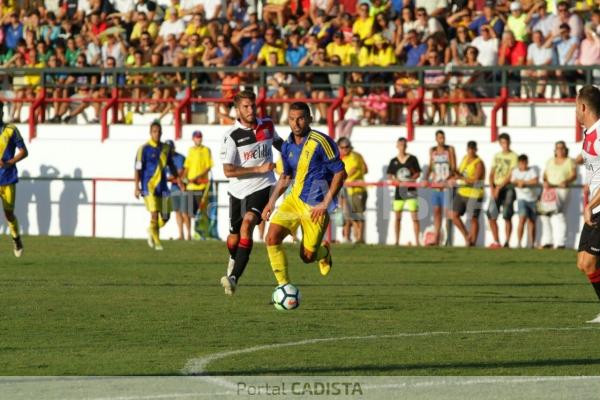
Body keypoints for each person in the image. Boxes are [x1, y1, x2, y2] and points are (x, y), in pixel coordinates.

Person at [262, 102, 347, 286]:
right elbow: (286, 176)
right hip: (294, 200)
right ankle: (284, 287)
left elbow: (341, 173)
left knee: (307, 257)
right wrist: (271, 202)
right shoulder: (287, 146)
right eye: (292, 119)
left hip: (315, 206)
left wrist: (325, 203)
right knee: (271, 237)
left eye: (300, 118)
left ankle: (324, 253)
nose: (296, 123)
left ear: (309, 119)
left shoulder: (321, 141)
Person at [220, 90, 282, 296]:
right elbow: (228, 170)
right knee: (233, 239)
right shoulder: (231, 136)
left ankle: (234, 278)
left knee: (248, 223)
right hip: (237, 192)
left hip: (263, 187)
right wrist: (257, 168)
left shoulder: (267, 125)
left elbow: (281, 144)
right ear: (237, 110)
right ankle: (233, 259)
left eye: (252, 105)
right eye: (245, 107)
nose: (250, 110)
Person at [134, 121, 182, 251]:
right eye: (154, 131)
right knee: (154, 215)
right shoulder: (143, 149)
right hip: (148, 186)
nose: (157, 134)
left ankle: (151, 229)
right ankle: (157, 242)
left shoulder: (166, 148)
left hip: (163, 187)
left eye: (159, 132)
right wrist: (136, 187)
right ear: (150, 133)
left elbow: (171, 165)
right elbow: (138, 169)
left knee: (166, 216)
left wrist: (178, 180)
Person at [575, 85, 600, 324]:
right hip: (595, 208)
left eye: (576, 106)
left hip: (598, 208)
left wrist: (590, 204)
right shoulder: (589, 133)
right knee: (583, 262)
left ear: (583, 107)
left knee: (591, 262)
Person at [0, 102, 27, 257]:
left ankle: (16, 238)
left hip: (7, 179)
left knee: (9, 214)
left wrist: (9, 162)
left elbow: (24, 151)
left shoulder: (11, 130)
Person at [540, 141, 576, 249]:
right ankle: (548, 241)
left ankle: (561, 242)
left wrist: (566, 181)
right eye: (558, 148)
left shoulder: (569, 161)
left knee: (559, 214)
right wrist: (545, 181)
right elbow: (545, 175)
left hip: (562, 190)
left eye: (562, 148)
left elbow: (574, 175)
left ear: (566, 150)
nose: (560, 150)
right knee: (544, 215)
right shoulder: (550, 161)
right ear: (555, 150)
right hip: (549, 190)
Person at [449, 141, 485, 247]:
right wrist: (454, 175)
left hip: (474, 193)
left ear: (476, 150)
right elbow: (460, 172)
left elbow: (476, 180)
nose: (471, 151)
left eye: (473, 149)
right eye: (469, 149)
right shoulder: (465, 158)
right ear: (467, 149)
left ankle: (472, 242)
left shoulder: (479, 163)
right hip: (462, 191)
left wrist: (460, 178)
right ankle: (466, 235)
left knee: (473, 219)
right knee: (453, 215)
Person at [387, 137, 421, 246]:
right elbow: (390, 175)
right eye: (400, 144)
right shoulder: (394, 161)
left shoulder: (412, 159)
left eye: (404, 145)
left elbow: (417, 173)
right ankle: (397, 241)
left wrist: (411, 180)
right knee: (397, 217)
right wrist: (394, 180)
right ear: (397, 146)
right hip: (399, 191)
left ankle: (417, 241)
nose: (402, 147)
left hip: (411, 191)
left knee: (414, 217)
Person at [487, 133, 518, 249]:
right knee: (491, 215)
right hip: (496, 187)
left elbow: (511, 175)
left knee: (507, 215)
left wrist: (498, 188)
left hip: (507, 187)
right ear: (500, 143)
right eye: (503, 143)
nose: (505, 145)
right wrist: (492, 188)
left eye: (507, 142)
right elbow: (491, 173)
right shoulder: (496, 156)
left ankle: (507, 242)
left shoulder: (514, 156)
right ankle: (496, 241)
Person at [182, 130, 213, 240]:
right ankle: (189, 235)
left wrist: (198, 178)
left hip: (201, 186)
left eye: (200, 137)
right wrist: (183, 178)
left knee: (202, 212)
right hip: (190, 186)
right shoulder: (190, 150)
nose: (198, 139)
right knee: (189, 212)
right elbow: (187, 166)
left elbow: (208, 167)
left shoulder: (206, 150)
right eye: (196, 137)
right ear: (193, 138)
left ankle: (202, 234)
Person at [428, 130, 456, 246]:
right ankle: (436, 238)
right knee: (436, 212)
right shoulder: (433, 150)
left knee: (447, 212)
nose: (442, 140)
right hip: (436, 185)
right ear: (436, 139)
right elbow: (431, 165)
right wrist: (426, 177)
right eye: (439, 138)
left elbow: (453, 167)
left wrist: (447, 179)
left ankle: (449, 239)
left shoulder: (449, 150)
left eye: (443, 137)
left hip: (445, 185)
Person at [338, 137, 368, 243]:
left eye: (347, 147)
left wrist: (343, 179)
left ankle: (360, 238)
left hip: (356, 190)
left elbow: (354, 169)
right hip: (347, 190)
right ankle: (355, 237)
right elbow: (365, 170)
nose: (345, 149)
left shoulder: (354, 156)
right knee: (351, 215)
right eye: (343, 147)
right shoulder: (343, 158)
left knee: (358, 214)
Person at [511, 154, 539, 249]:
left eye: (525, 163)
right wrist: (520, 182)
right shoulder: (515, 171)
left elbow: (535, 181)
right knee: (522, 219)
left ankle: (532, 243)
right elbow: (513, 181)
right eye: (522, 163)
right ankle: (519, 242)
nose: (523, 165)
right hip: (521, 199)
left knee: (532, 221)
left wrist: (523, 182)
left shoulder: (532, 171)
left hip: (532, 199)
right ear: (519, 163)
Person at [165, 140, 187, 240]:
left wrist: (171, 176)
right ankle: (181, 234)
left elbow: (180, 172)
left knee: (185, 212)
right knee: (177, 211)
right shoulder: (164, 159)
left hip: (183, 187)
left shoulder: (180, 157)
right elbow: (165, 175)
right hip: (174, 187)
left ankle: (188, 234)